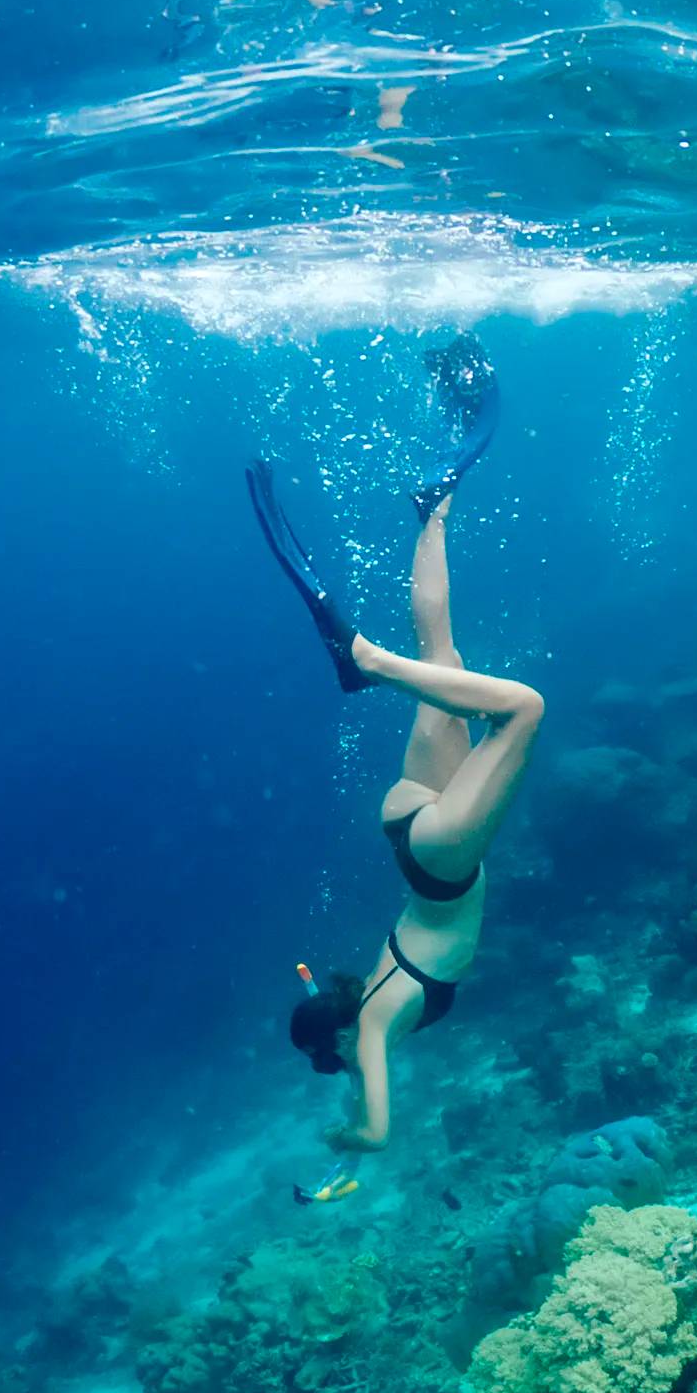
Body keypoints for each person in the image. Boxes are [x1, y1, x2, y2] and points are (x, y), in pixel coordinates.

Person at [245, 337, 544, 1155]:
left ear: (339, 1042)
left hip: (442, 862)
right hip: (409, 832)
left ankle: (366, 660)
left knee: (521, 710)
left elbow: (378, 1128)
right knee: (442, 656)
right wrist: (322, 1037)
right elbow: (324, 1012)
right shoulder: (349, 994)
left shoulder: (373, 1024)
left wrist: (353, 1143)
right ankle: (435, 507)